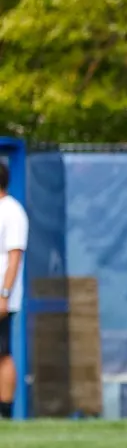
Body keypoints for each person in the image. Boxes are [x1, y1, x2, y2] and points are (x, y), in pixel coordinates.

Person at [0, 161, 27, 420]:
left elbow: (14, 257)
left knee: (2, 353)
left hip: (1, 297)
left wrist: (4, 295)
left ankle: (5, 413)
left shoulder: (12, 212)